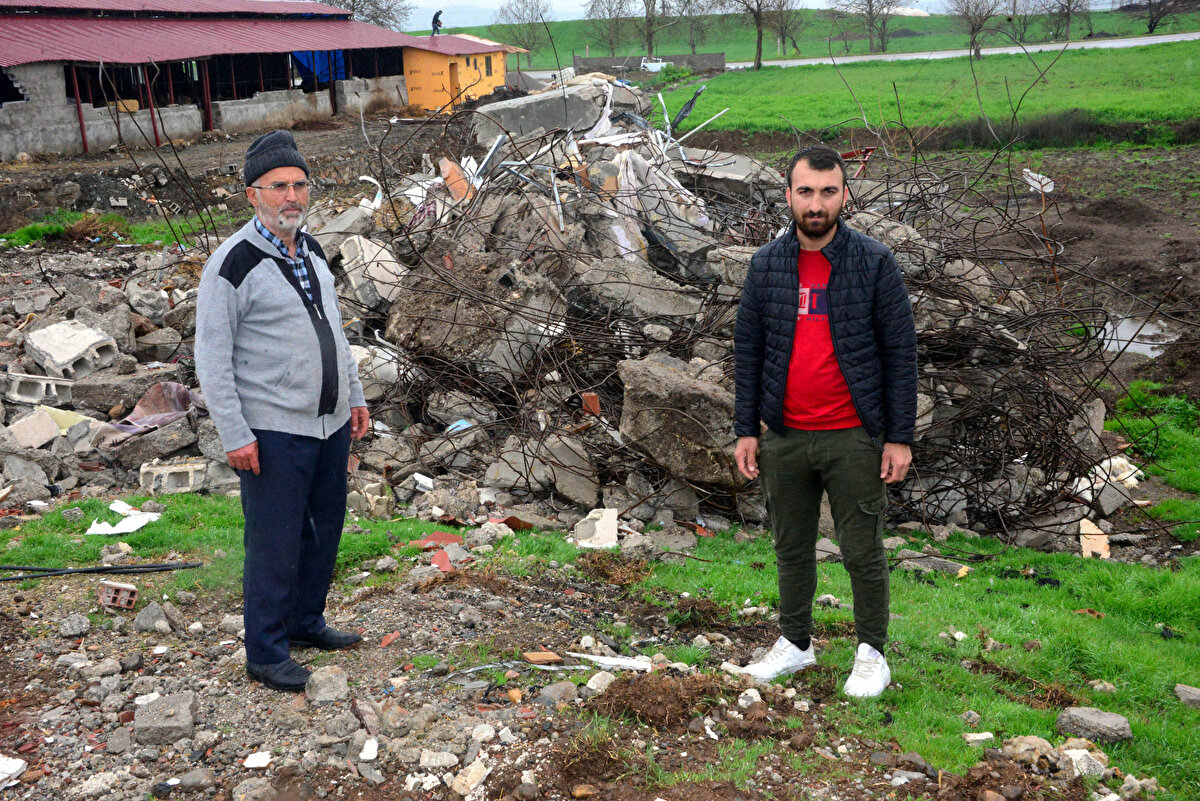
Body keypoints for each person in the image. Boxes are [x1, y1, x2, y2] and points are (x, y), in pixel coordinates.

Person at [733, 145, 917, 698]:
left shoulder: (874, 262)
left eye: (828, 191)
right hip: (784, 435)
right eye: (806, 192)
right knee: (790, 546)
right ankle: (795, 643)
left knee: (862, 549)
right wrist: (747, 427)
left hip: (853, 436)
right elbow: (748, 349)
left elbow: (900, 352)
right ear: (788, 196)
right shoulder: (767, 265)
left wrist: (899, 438)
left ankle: (872, 655)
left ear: (844, 195)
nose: (817, 204)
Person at [195, 130, 370, 693]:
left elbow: (335, 334)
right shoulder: (231, 266)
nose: (291, 196)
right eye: (278, 187)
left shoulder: (314, 250)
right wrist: (234, 432)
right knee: (274, 540)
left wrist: (356, 395)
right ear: (253, 195)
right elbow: (212, 358)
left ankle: (305, 622)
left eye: (299, 185)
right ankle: (266, 652)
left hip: (330, 421)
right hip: (272, 430)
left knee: (324, 530)